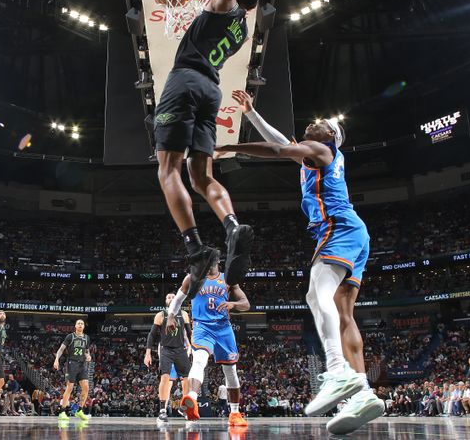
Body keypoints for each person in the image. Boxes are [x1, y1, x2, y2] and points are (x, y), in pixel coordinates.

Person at [215, 98, 383, 433]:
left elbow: (278, 151)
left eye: (321, 122)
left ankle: (337, 370)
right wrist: (250, 113)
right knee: (343, 311)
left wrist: (229, 147)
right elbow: (282, 143)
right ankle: (363, 392)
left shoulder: (321, 150)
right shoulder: (318, 154)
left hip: (338, 228)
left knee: (315, 294)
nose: (314, 121)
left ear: (330, 136)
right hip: (355, 231)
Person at [154, 0, 260, 299]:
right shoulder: (241, 34)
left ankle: (196, 249)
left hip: (186, 79)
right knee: (201, 177)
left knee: (168, 169)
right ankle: (231, 226)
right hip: (211, 91)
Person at [166, 257, 250, 427]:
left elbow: (246, 304)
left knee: (230, 370)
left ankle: (234, 413)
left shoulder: (228, 279)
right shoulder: (192, 277)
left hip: (223, 328)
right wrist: (171, 317)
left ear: (217, 260)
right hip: (202, 327)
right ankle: (192, 399)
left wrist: (232, 304)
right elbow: (178, 299)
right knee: (199, 360)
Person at [144, 292, 193, 423]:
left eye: (173, 297)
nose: (171, 298)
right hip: (166, 349)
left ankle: (185, 408)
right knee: (165, 377)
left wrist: (195, 347)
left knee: (187, 379)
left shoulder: (184, 314)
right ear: (165, 301)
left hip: (180, 349)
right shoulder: (160, 315)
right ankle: (162, 410)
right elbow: (152, 335)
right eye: (168, 297)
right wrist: (148, 353)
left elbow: (189, 333)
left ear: (177, 300)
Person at [54, 319, 92, 421]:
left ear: (84, 326)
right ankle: (62, 411)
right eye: (78, 323)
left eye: (82, 323)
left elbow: (87, 351)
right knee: (69, 388)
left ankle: (80, 411)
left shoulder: (87, 338)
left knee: (86, 387)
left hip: (82, 364)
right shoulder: (70, 337)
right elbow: (61, 349)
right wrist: (56, 360)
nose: (80, 325)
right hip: (72, 363)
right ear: (75, 326)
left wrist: (88, 356)